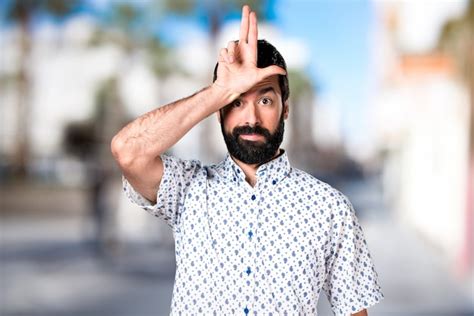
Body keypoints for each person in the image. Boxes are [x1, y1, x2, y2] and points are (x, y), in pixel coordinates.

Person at [111, 5, 383, 315]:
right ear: (220, 112)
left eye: (265, 100)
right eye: (236, 103)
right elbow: (127, 151)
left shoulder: (330, 209)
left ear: (286, 109)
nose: (250, 118)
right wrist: (220, 90)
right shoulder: (188, 189)